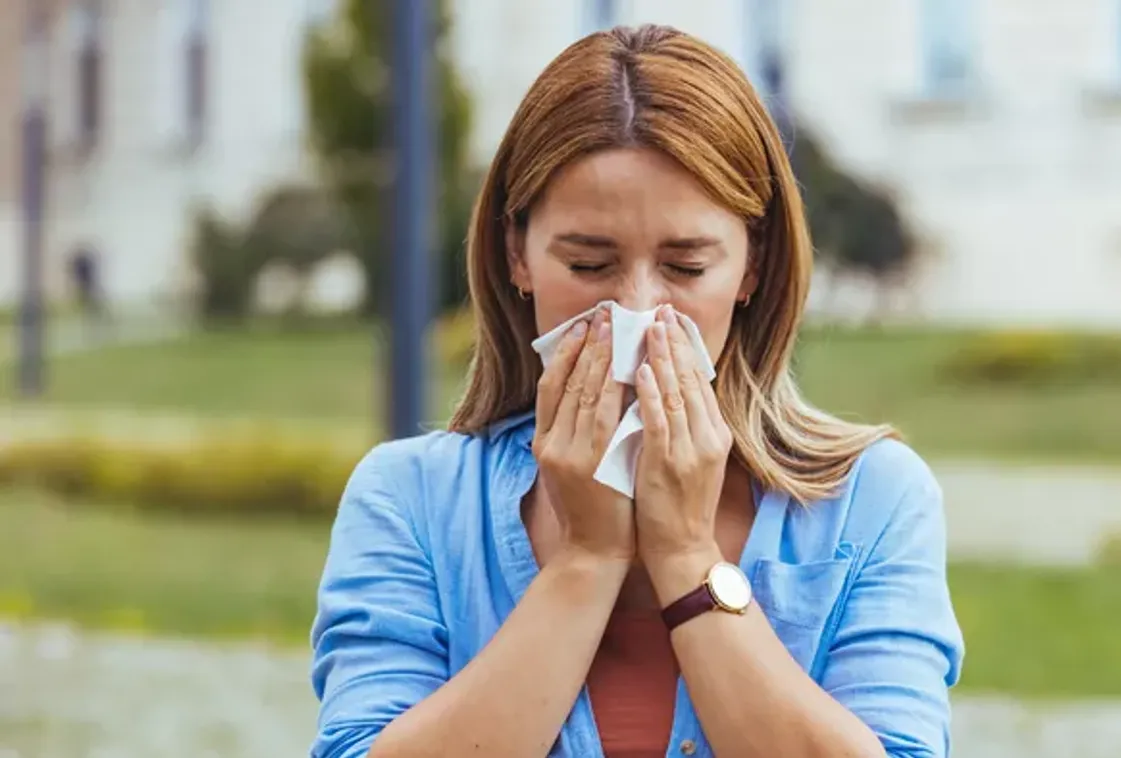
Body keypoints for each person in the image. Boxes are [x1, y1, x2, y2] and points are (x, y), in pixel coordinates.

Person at [309, 24, 964, 758]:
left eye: (685, 268)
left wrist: (686, 555)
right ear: (515, 255)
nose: (639, 312)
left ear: (751, 267)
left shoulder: (870, 501)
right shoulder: (412, 500)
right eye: (589, 266)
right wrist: (586, 559)